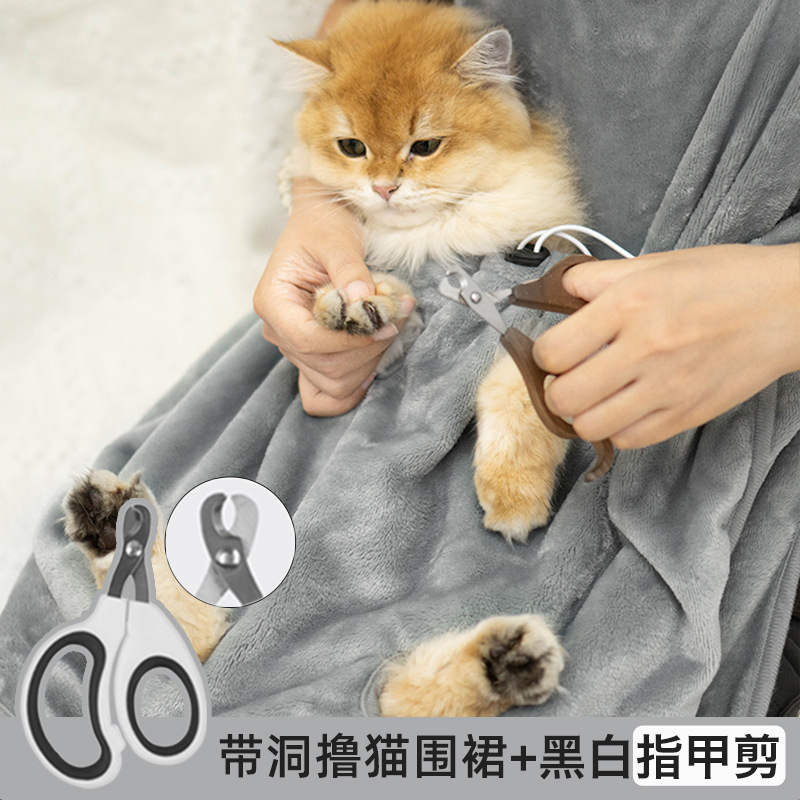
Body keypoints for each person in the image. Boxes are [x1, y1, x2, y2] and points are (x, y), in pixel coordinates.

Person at [254, 0, 800, 442]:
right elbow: (354, 33)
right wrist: (316, 210)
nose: (385, 183)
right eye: (356, 149)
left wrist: (780, 303)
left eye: (420, 147)